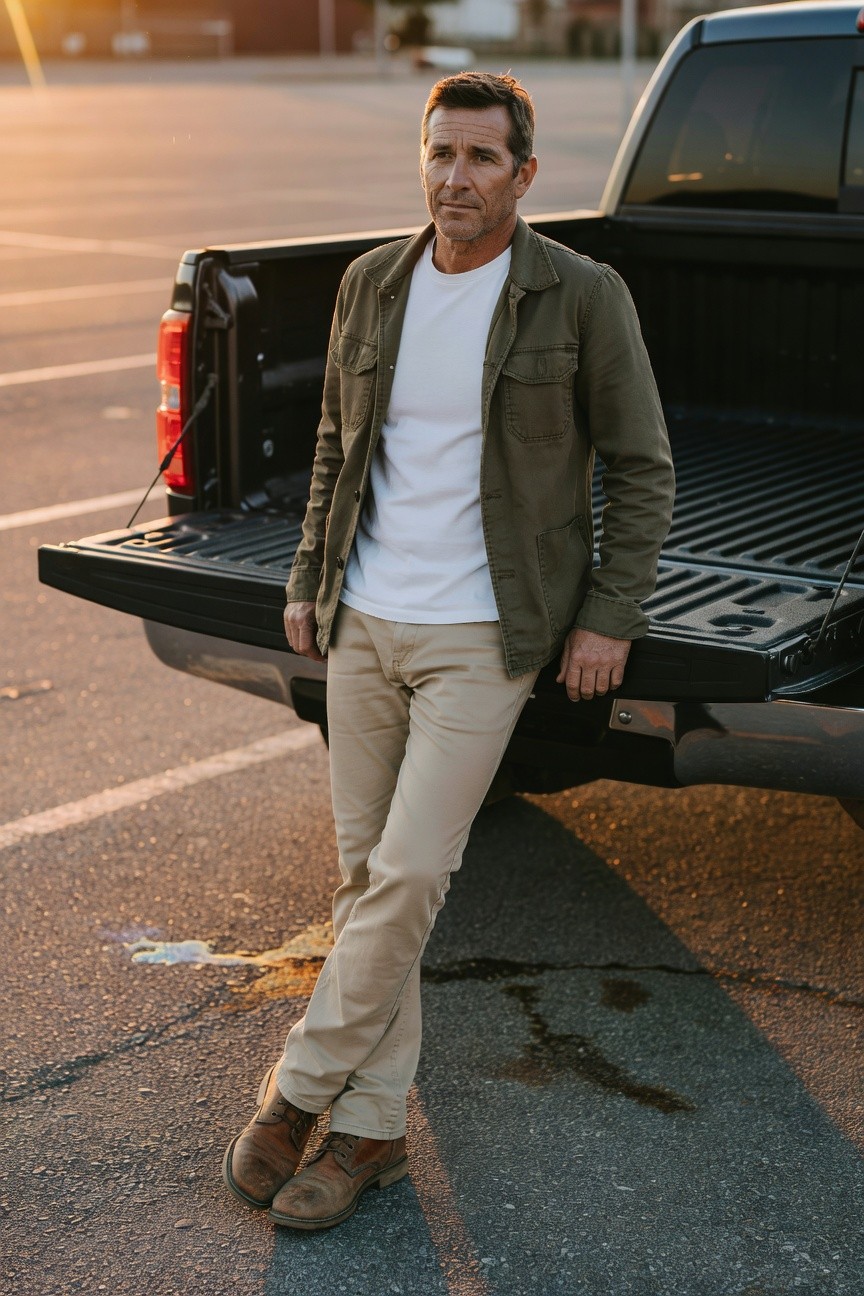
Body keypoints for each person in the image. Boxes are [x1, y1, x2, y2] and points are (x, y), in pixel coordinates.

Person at [223, 71, 674, 1232]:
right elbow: (336, 441)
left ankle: (296, 1089)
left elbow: (642, 465)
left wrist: (609, 615)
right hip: (365, 619)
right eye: (440, 155)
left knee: (412, 874)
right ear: (418, 162)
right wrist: (311, 576)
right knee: (369, 883)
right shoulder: (373, 283)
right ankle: (371, 1131)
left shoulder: (579, 296)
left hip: (489, 634)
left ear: (526, 174)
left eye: (481, 158)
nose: (455, 178)